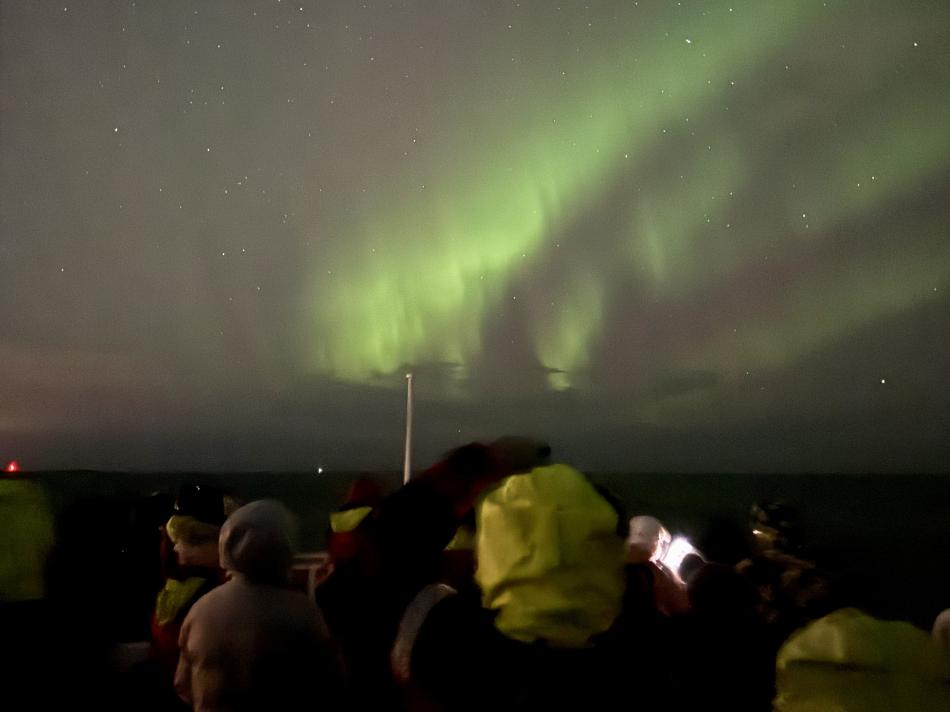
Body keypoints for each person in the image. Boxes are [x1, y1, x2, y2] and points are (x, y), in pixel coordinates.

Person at [175, 500, 343, 711]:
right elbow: (331, 682)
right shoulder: (302, 613)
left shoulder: (200, 610)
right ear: (285, 545)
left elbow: (182, 685)